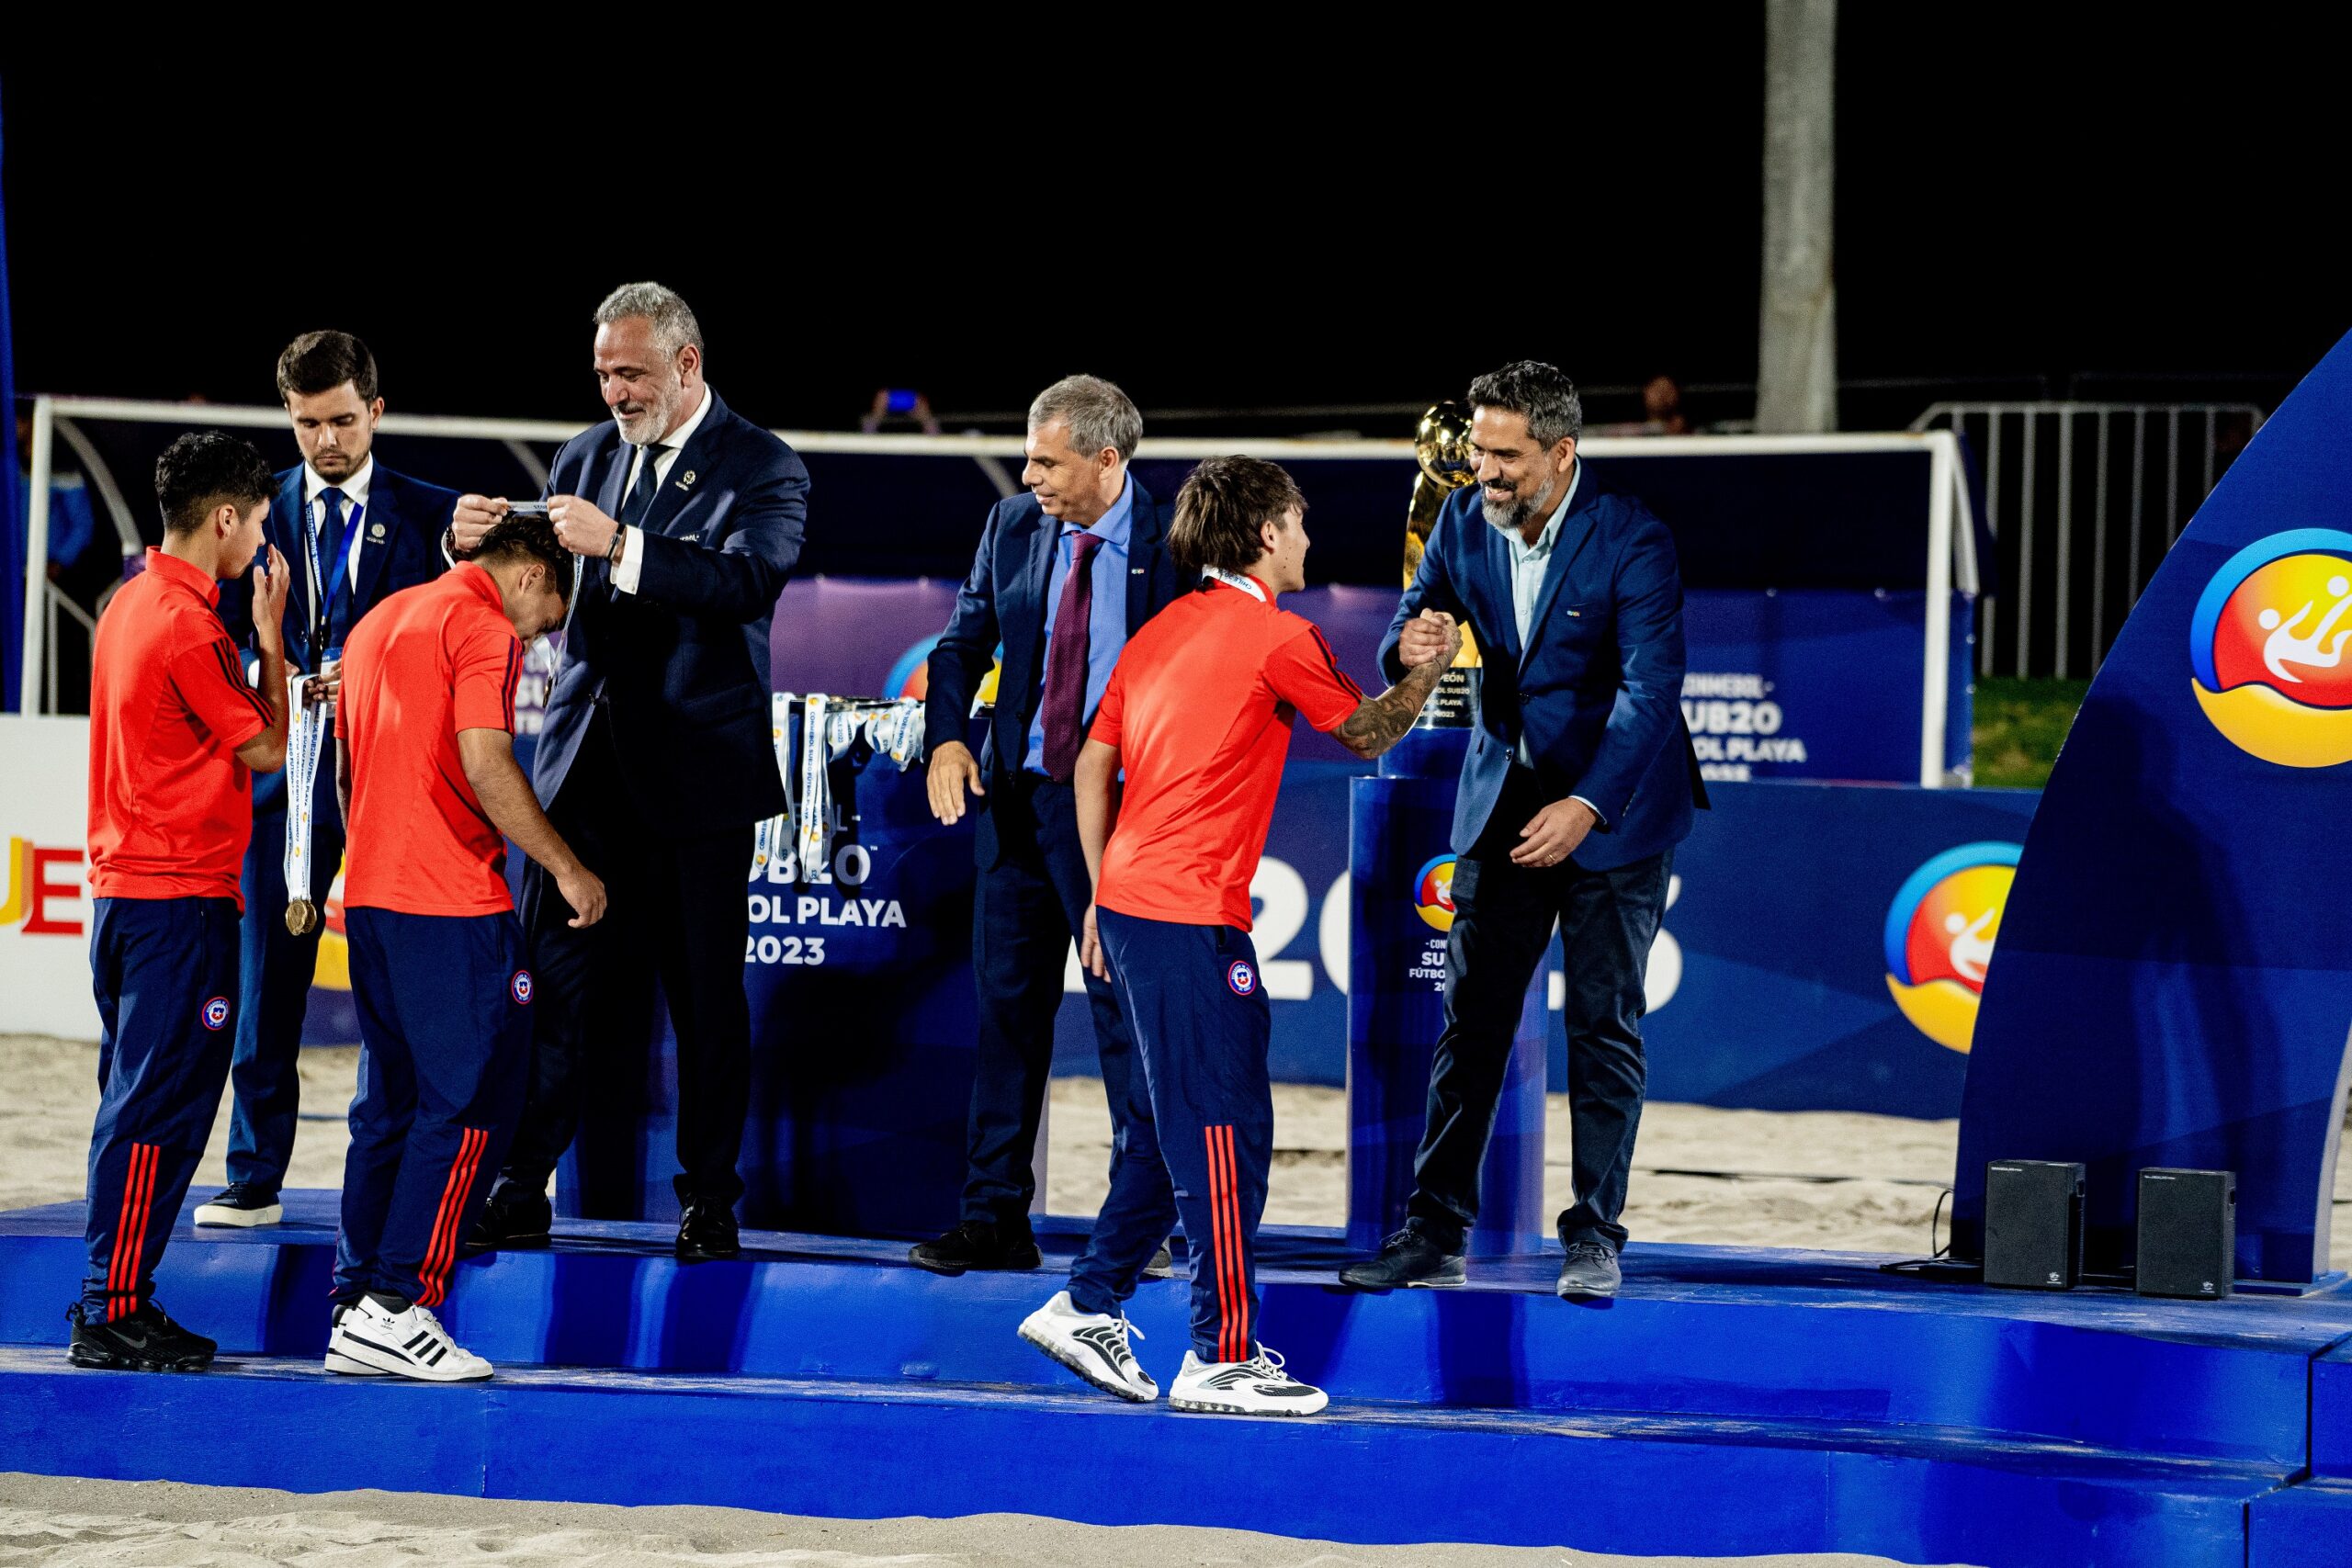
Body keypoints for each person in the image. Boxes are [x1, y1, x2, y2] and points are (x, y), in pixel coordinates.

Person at [1018, 456, 1458, 1416]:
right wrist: (1428, 667)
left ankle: (1086, 1301)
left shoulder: (1160, 628)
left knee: (1179, 1124)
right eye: (1298, 522)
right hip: (1183, 915)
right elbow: (1371, 733)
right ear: (1266, 534)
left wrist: (1097, 893)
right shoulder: (1278, 635)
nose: (1307, 537)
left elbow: (1094, 765)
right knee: (1224, 1130)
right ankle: (1217, 1354)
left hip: (1135, 906)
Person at [458, 282, 809, 1263]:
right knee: (551, 991)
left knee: (704, 1001)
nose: (614, 391)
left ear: (687, 365)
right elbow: (537, 580)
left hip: (698, 779)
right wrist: (474, 544)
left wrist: (622, 544)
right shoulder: (583, 455)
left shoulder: (764, 464)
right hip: (578, 776)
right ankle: (522, 1186)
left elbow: (746, 583)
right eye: (604, 372)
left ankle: (708, 1201)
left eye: (632, 373)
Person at [1341, 360, 1704, 1301]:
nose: (1486, 471)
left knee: (1602, 1026)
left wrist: (1585, 804)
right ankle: (1432, 1230)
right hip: (1503, 804)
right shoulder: (1463, 518)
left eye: (1506, 456)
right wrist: (1406, 648)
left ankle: (1593, 1237)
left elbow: (1649, 693)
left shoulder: (1633, 537)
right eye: (1478, 451)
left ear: (1560, 452)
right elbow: (1407, 630)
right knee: (1473, 1023)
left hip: (1614, 813)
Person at [911, 375, 1183, 1276]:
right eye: (1027, 456)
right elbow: (960, 644)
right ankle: (993, 1220)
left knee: (1122, 1018)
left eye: (1046, 460)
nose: (1027, 474)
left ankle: (1138, 1220)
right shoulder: (1012, 526)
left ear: (1108, 460)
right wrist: (949, 741)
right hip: (1014, 805)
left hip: (1117, 815)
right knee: (1006, 1019)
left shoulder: (1174, 541)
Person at [323, 513, 603, 1381]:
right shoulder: (481, 625)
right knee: (475, 1098)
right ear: (529, 575)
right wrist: (565, 867)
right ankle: (403, 1304)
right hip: (447, 903)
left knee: (390, 1104)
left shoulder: (379, 619)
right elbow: (486, 762)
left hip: (370, 895)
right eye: (551, 611)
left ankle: (355, 1304)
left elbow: (344, 768)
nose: (544, 631)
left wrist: (368, 858)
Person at [196, 332, 459, 1230]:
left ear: (376, 411)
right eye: (308, 424)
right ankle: (253, 1170)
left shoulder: (433, 515)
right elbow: (208, 642)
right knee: (269, 973)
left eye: (343, 420)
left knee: (394, 976)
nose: (327, 442)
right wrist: (270, 674)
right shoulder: (248, 513)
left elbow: (459, 643)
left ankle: (391, 1174)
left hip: (393, 776)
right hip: (285, 780)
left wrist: (380, 669)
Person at [68, 433, 290, 1371]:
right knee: (157, 1109)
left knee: (134, 1101)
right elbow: (269, 749)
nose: (265, 544)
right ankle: (111, 1307)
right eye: (261, 523)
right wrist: (270, 635)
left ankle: (116, 1300)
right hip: (176, 903)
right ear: (225, 519)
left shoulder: (130, 602)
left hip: (129, 898)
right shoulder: (191, 624)